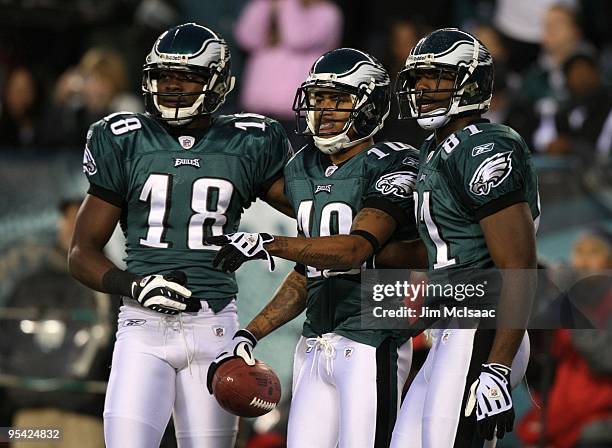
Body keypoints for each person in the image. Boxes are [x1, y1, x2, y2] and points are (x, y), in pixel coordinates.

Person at [68, 23, 293, 448]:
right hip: (141, 326)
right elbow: (80, 252)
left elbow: (316, 212)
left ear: (217, 82)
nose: (172, 87)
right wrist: (134, 284)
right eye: (164, 76)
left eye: (187, 77)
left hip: (214, 330)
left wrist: (271, 242)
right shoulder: (123, 140)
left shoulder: (248, 141)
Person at [206, 47, 421, 448]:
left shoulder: (391, 162)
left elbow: (353, 251)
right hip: (315, 340)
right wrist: (249, 334)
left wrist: (269, 242)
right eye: (318, 98)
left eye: (337, 99)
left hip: (370, 337)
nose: (323, 110)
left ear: (370, 106)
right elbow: (311, 271)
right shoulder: (302, 166)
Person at [390, 28, 539, 447]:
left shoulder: (485, 146)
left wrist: (497, 368)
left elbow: (518, 266)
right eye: (417, 78)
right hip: (451, 327)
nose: (421, 88)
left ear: (469, 82)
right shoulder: (436, 149)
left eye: (434, 77)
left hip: (482, 324)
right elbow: (442, 248)